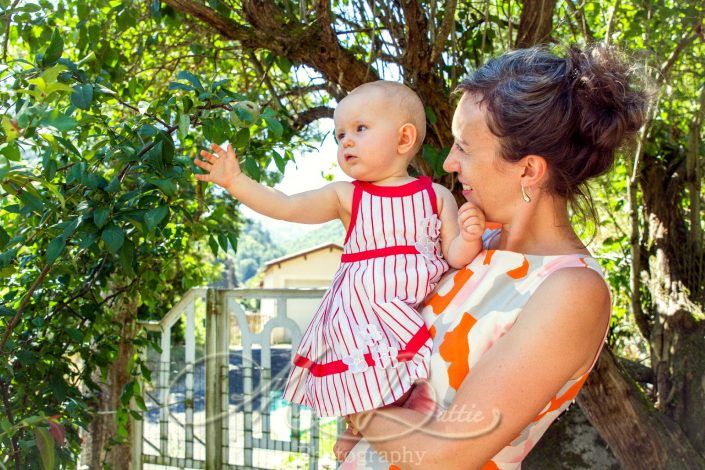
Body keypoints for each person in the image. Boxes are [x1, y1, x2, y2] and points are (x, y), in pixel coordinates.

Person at [334, 44, 648, 469]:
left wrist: (347, 391)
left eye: (464, 147)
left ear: (528, 171)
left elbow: (442, 457)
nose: (448, 161)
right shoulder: (470, 240)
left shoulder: (571, 291)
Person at [193, 81, 486, 425]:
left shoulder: (436, 195)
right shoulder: (346, 196)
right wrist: (236, 182)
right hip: (361, 311)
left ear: (404, 139)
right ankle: (355, 422)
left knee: (407, 377)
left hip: (410, 308)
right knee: (360, 374)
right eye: (339, 134)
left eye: (360, 129)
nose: (345, 140)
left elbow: (455, 255)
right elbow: (287, 206)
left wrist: (469, 236)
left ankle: (376, 422)